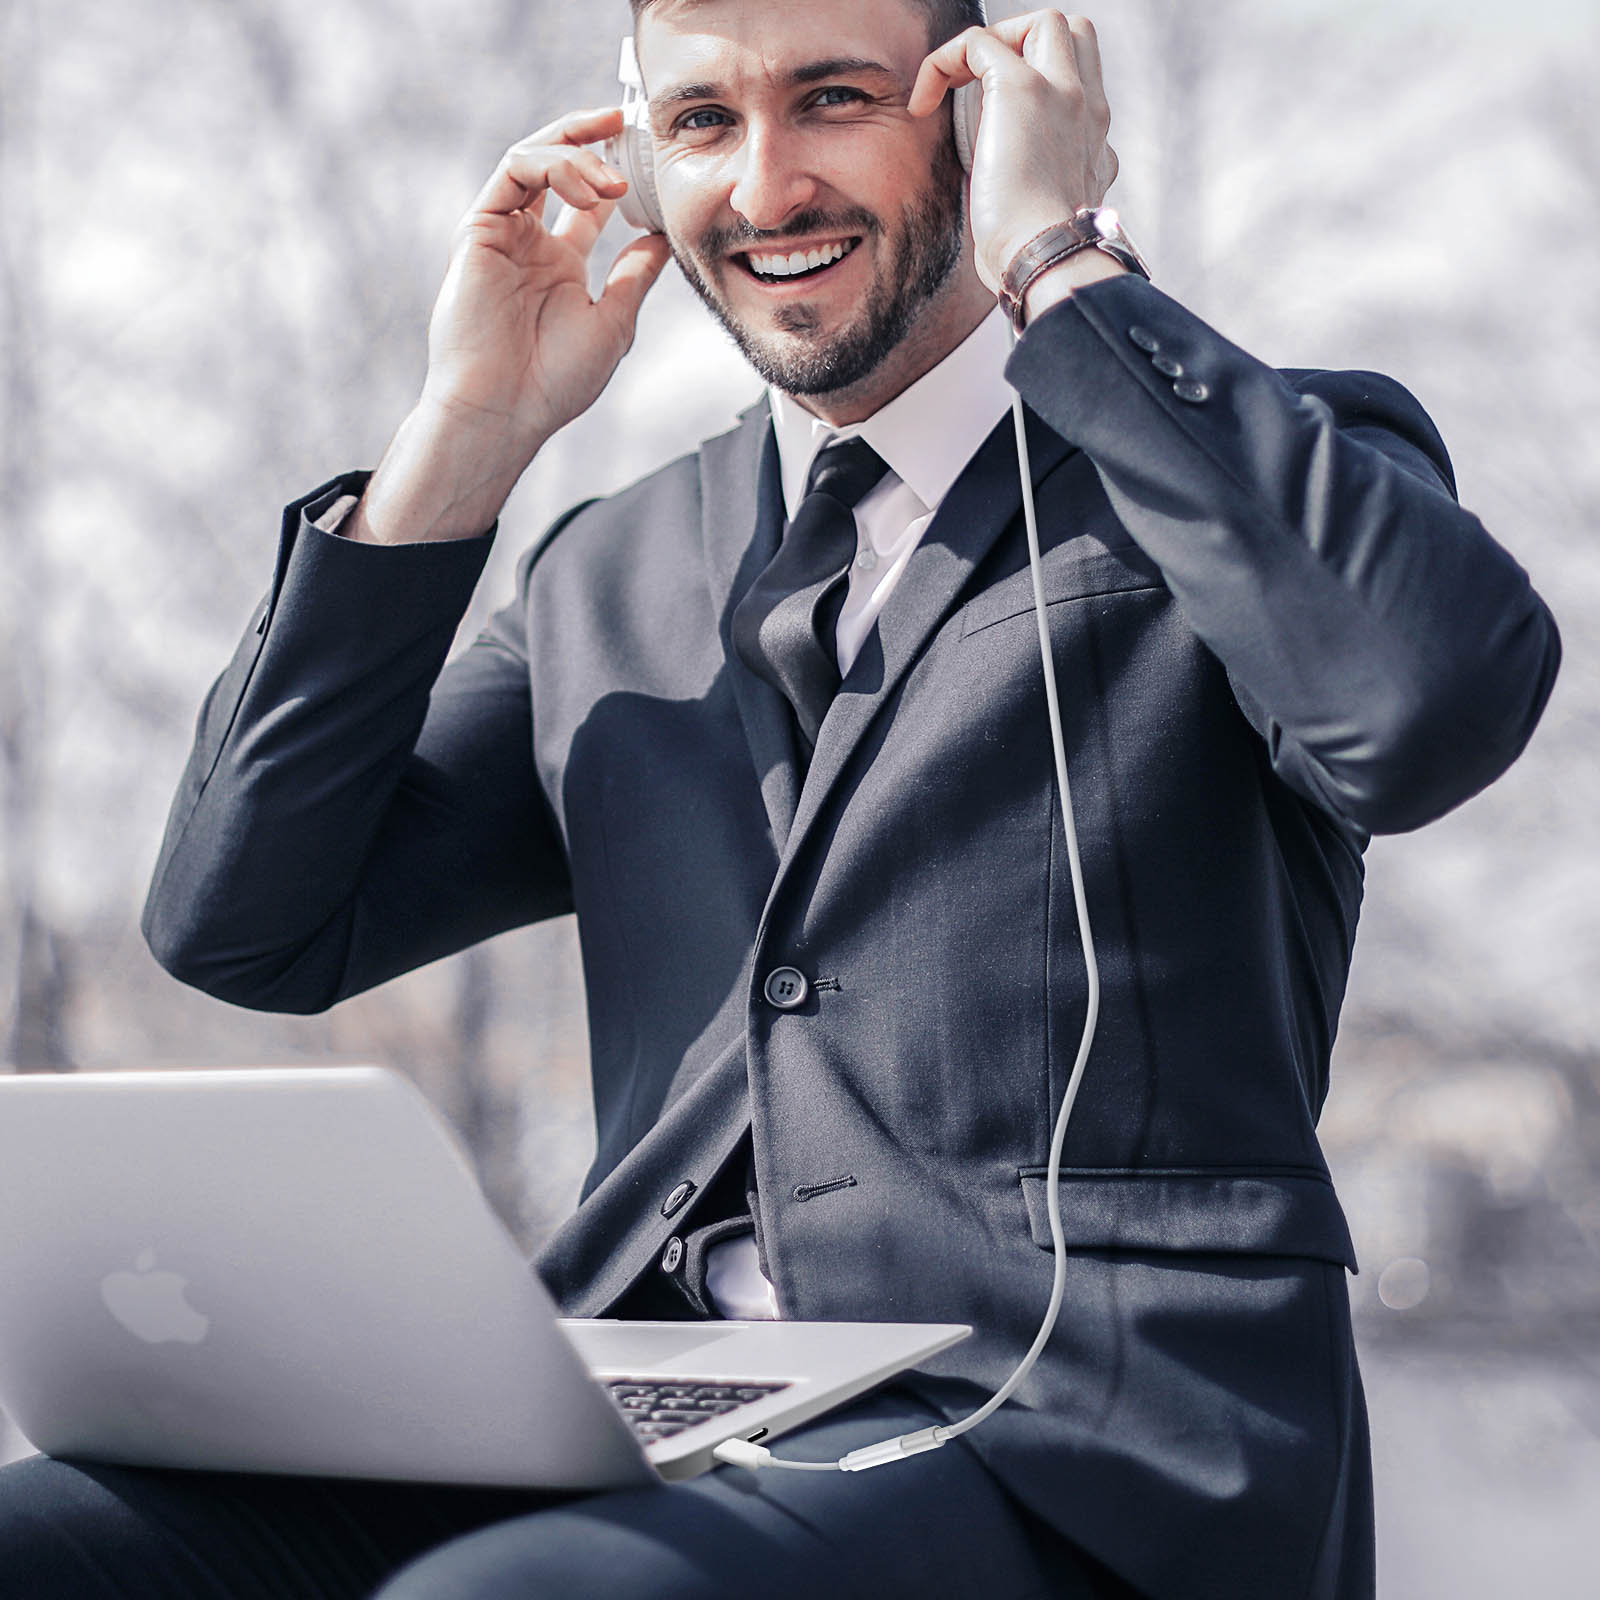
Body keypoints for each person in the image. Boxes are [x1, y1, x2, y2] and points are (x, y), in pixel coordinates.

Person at [0, 1, 1559, 1596]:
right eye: (699, 124)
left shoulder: (1237, 461)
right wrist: (462, 440)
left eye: (832, 99)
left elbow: (1427, 707)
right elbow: (242, 924)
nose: (764, 189)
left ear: (975, 109)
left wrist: (1063, 266)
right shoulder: (608, 567)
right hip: (637, 1417)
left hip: (1074, 1445)